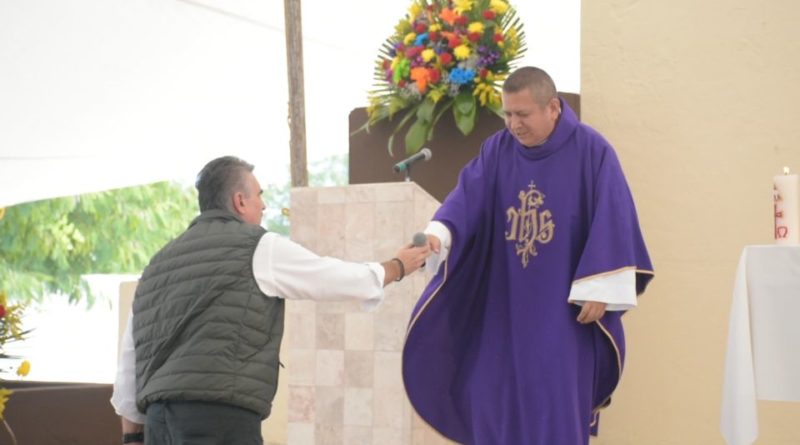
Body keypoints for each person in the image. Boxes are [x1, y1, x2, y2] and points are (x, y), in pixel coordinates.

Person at [402, 67, 654, 445]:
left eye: (522, 114)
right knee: (492, 400)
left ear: (553, 107)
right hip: (501, 310)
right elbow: (466, 198)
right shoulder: (497, 150)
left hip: (563, 318)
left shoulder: (592, 151)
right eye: (507, 114)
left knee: (554, 409)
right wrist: (440, 233)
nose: (513, 124)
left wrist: (601, 287)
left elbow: (613, 218)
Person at [110, 156, 430, 445]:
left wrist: (132, 437)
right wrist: (397, 266)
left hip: (159, 423)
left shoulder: (156, 264)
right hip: (220, 420)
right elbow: (334, 277)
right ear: (239, 201)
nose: (263, 206)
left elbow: (130, 361)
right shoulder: (257, 247)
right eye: (259, 195)